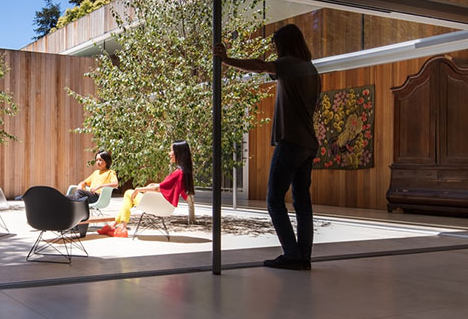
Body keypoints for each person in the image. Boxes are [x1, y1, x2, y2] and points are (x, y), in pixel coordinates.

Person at [214, 23, 320, 270]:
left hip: (291, 141)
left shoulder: (289, 64)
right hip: (308, 143)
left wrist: (226, 60)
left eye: (276, 46)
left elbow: (260, 65)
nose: (275, 51)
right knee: (302, 202)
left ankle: (292, 255)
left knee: (274, 200)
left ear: (284, 45)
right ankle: (304, 257)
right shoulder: (311, 70)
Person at [99, 140, 194, 237]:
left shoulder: (178, 173)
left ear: (178, 153)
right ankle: (113, 226)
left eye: (171, 151)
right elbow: (165, 186)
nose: (169, 154)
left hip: (159, 205)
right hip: (165, 205)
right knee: (129, 199)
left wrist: (140, 189)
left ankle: (122, 228)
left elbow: (158, 189)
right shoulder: (182, 172)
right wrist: (153, 184)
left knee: (128, 193)